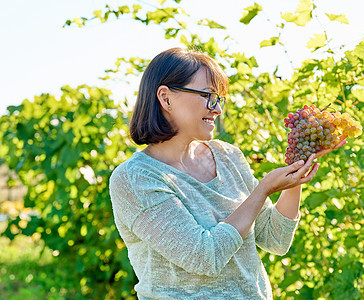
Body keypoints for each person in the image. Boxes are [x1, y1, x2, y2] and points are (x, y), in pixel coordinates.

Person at [109, 47, 346, 299]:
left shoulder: (227, 156)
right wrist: (263, 188)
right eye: (208, 96)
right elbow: (204, 257)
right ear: (166, 98)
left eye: (219, 98)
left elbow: (275, 238)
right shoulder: (135, 179)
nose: (217, 109)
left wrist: (296, 174)